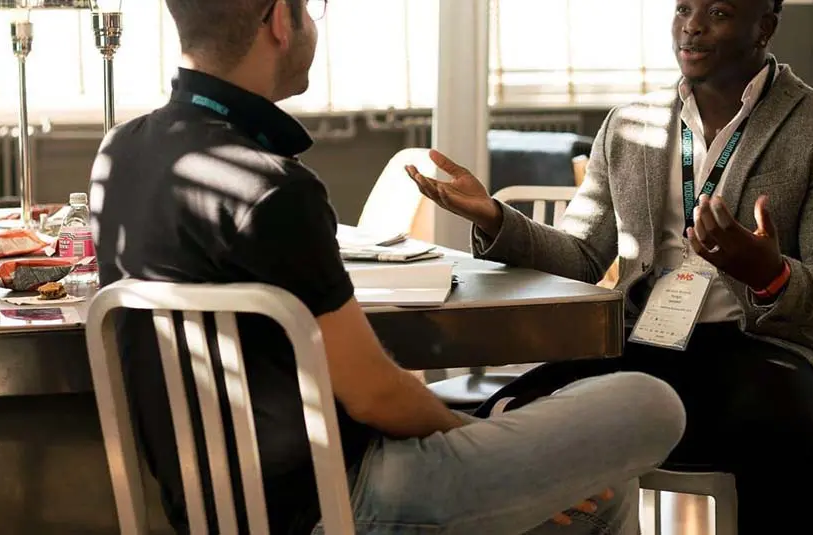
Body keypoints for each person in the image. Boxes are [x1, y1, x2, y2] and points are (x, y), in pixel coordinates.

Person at [89, 1, 686, 533]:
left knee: (602, 494)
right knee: (650, 401)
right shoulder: (274, 189)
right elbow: (375, 394)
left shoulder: (121, 152)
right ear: (277, 20)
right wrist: (477, 444)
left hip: (211, 509)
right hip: (342, 501)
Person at [406, 0, 813, 531]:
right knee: (518, 407)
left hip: (769, 348)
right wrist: (494, 217)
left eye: (717, 12)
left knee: (777, 426)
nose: (692, 26)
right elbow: (580, 256)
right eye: (683, 8)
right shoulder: (630, 124)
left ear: (764, 28)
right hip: (646, 341)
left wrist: (771, 275)